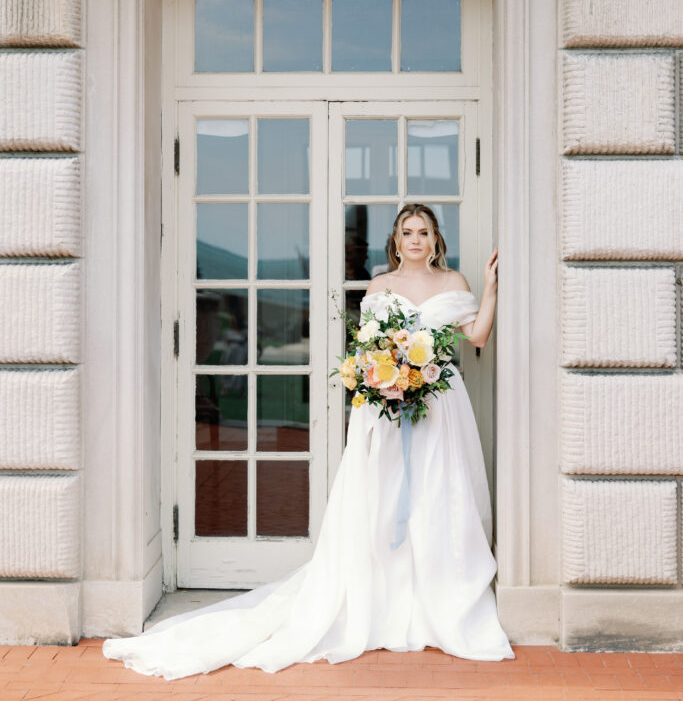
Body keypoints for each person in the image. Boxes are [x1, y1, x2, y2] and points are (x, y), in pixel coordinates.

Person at [102, 203, 515, 679]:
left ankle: (439, 601)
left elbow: (478, 337)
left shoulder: (454, 283)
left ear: (436, 239)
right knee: (380, 503)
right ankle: (383, 599)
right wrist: (385, 382)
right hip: (385, 409)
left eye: (424, 231)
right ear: (396, 240)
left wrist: (490, 290)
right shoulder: (381, 286)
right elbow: (368, 352)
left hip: (439, 407)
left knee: (439, 496)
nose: (416, 239)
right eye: (407, 232)